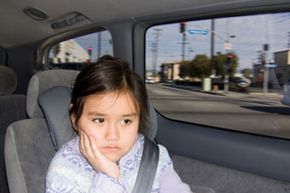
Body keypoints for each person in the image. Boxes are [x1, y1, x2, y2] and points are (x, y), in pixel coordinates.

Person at [46, 55, 192, 193]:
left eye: (126, 121)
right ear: (74, 117)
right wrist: (109, 175)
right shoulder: (64, 171)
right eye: (99, 120)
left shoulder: (154, 157)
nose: (113, 135)